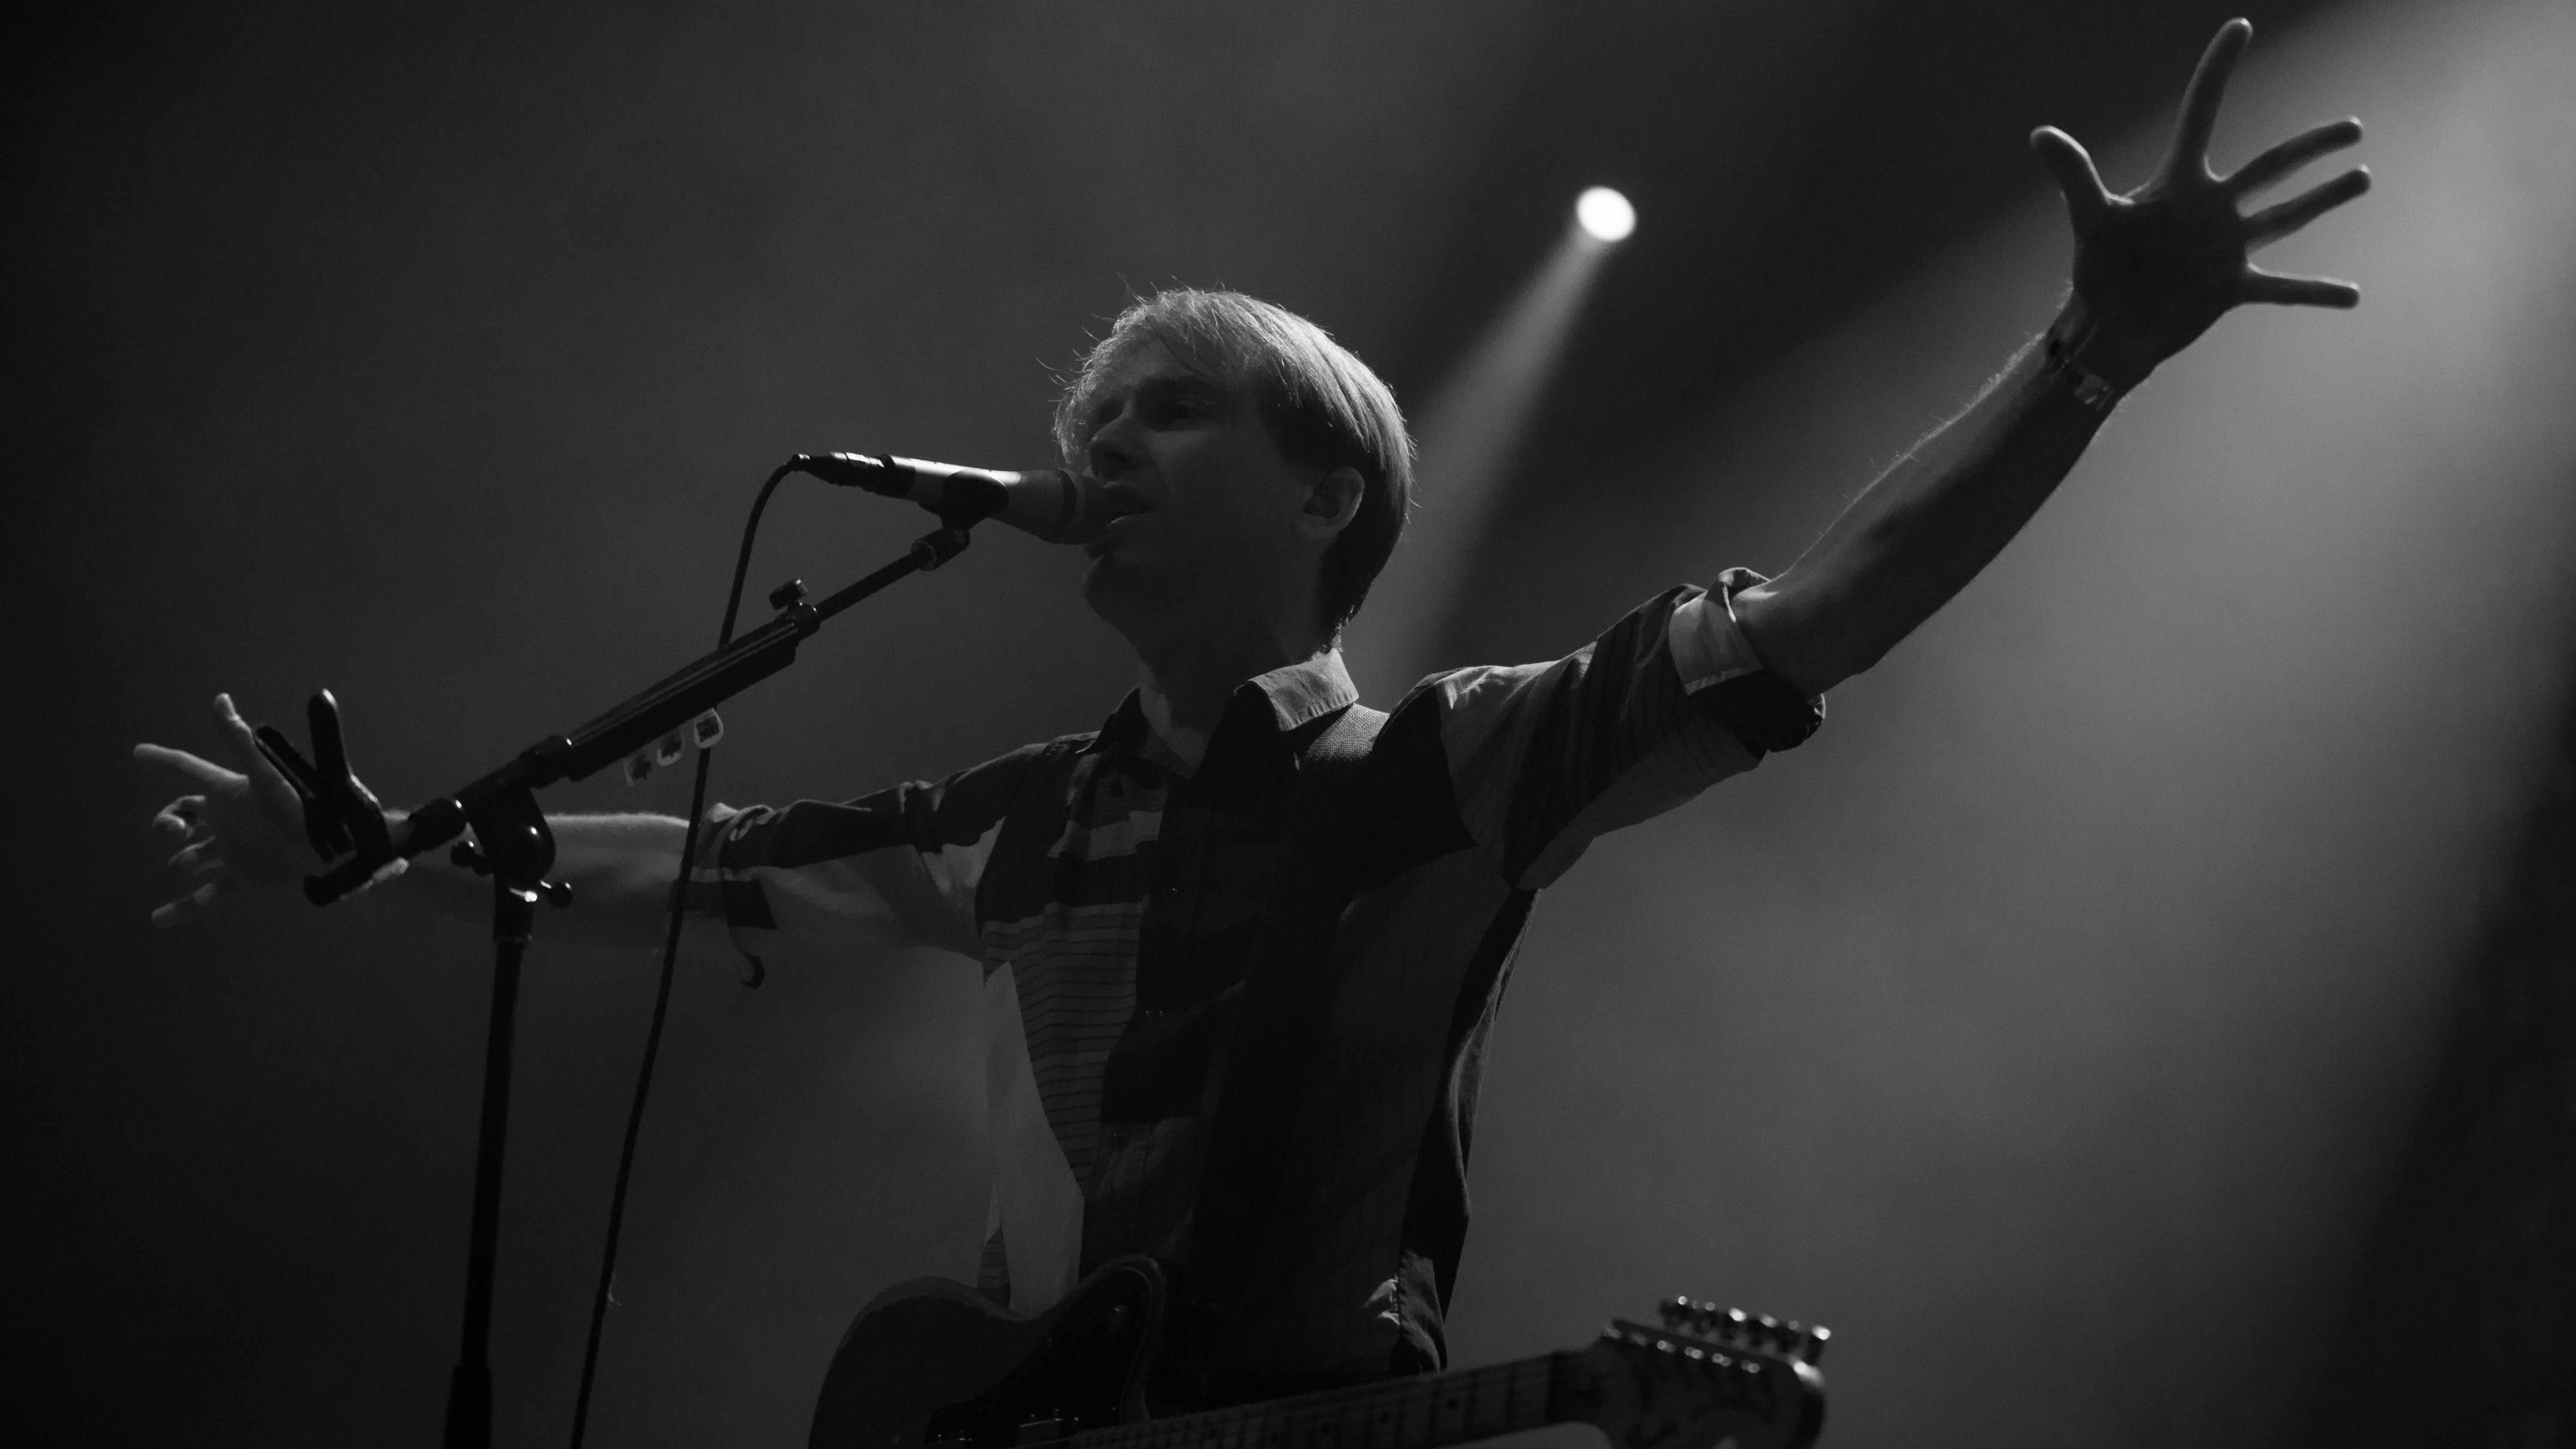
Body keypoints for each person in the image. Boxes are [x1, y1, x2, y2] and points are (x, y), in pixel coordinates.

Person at [134, 18, 2366, 1412]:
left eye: (1170, 407)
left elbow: (1824, 612)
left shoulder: (1449, 768)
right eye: (1092, 418)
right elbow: (684, 871)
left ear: (1326, 494)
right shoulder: (1021, 824)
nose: (1102, 441)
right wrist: (386, 854)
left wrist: (2085, 362)